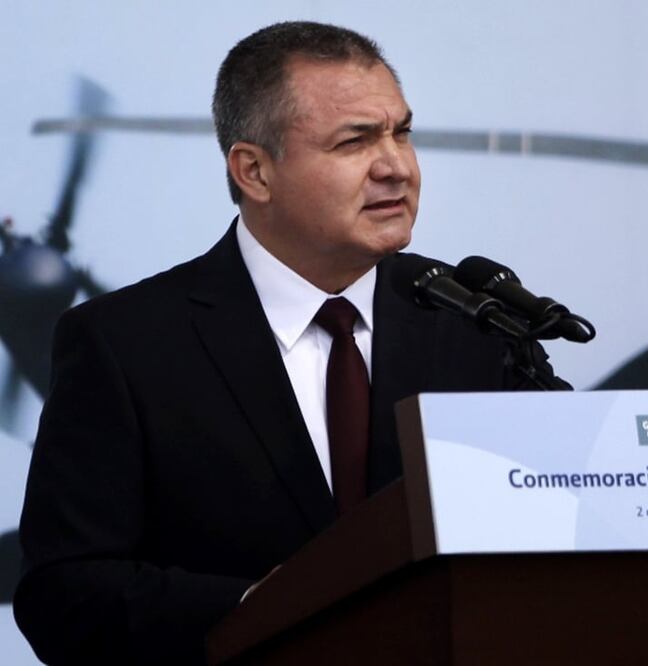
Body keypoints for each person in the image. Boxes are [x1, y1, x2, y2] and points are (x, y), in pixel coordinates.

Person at [14, 21, 564, 665]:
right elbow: (64, 595)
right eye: (354, 141)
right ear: (254, 171)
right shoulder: (124, 343)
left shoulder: (476, 321)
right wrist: (261, 608)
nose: (396, 167)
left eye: (401, 132)